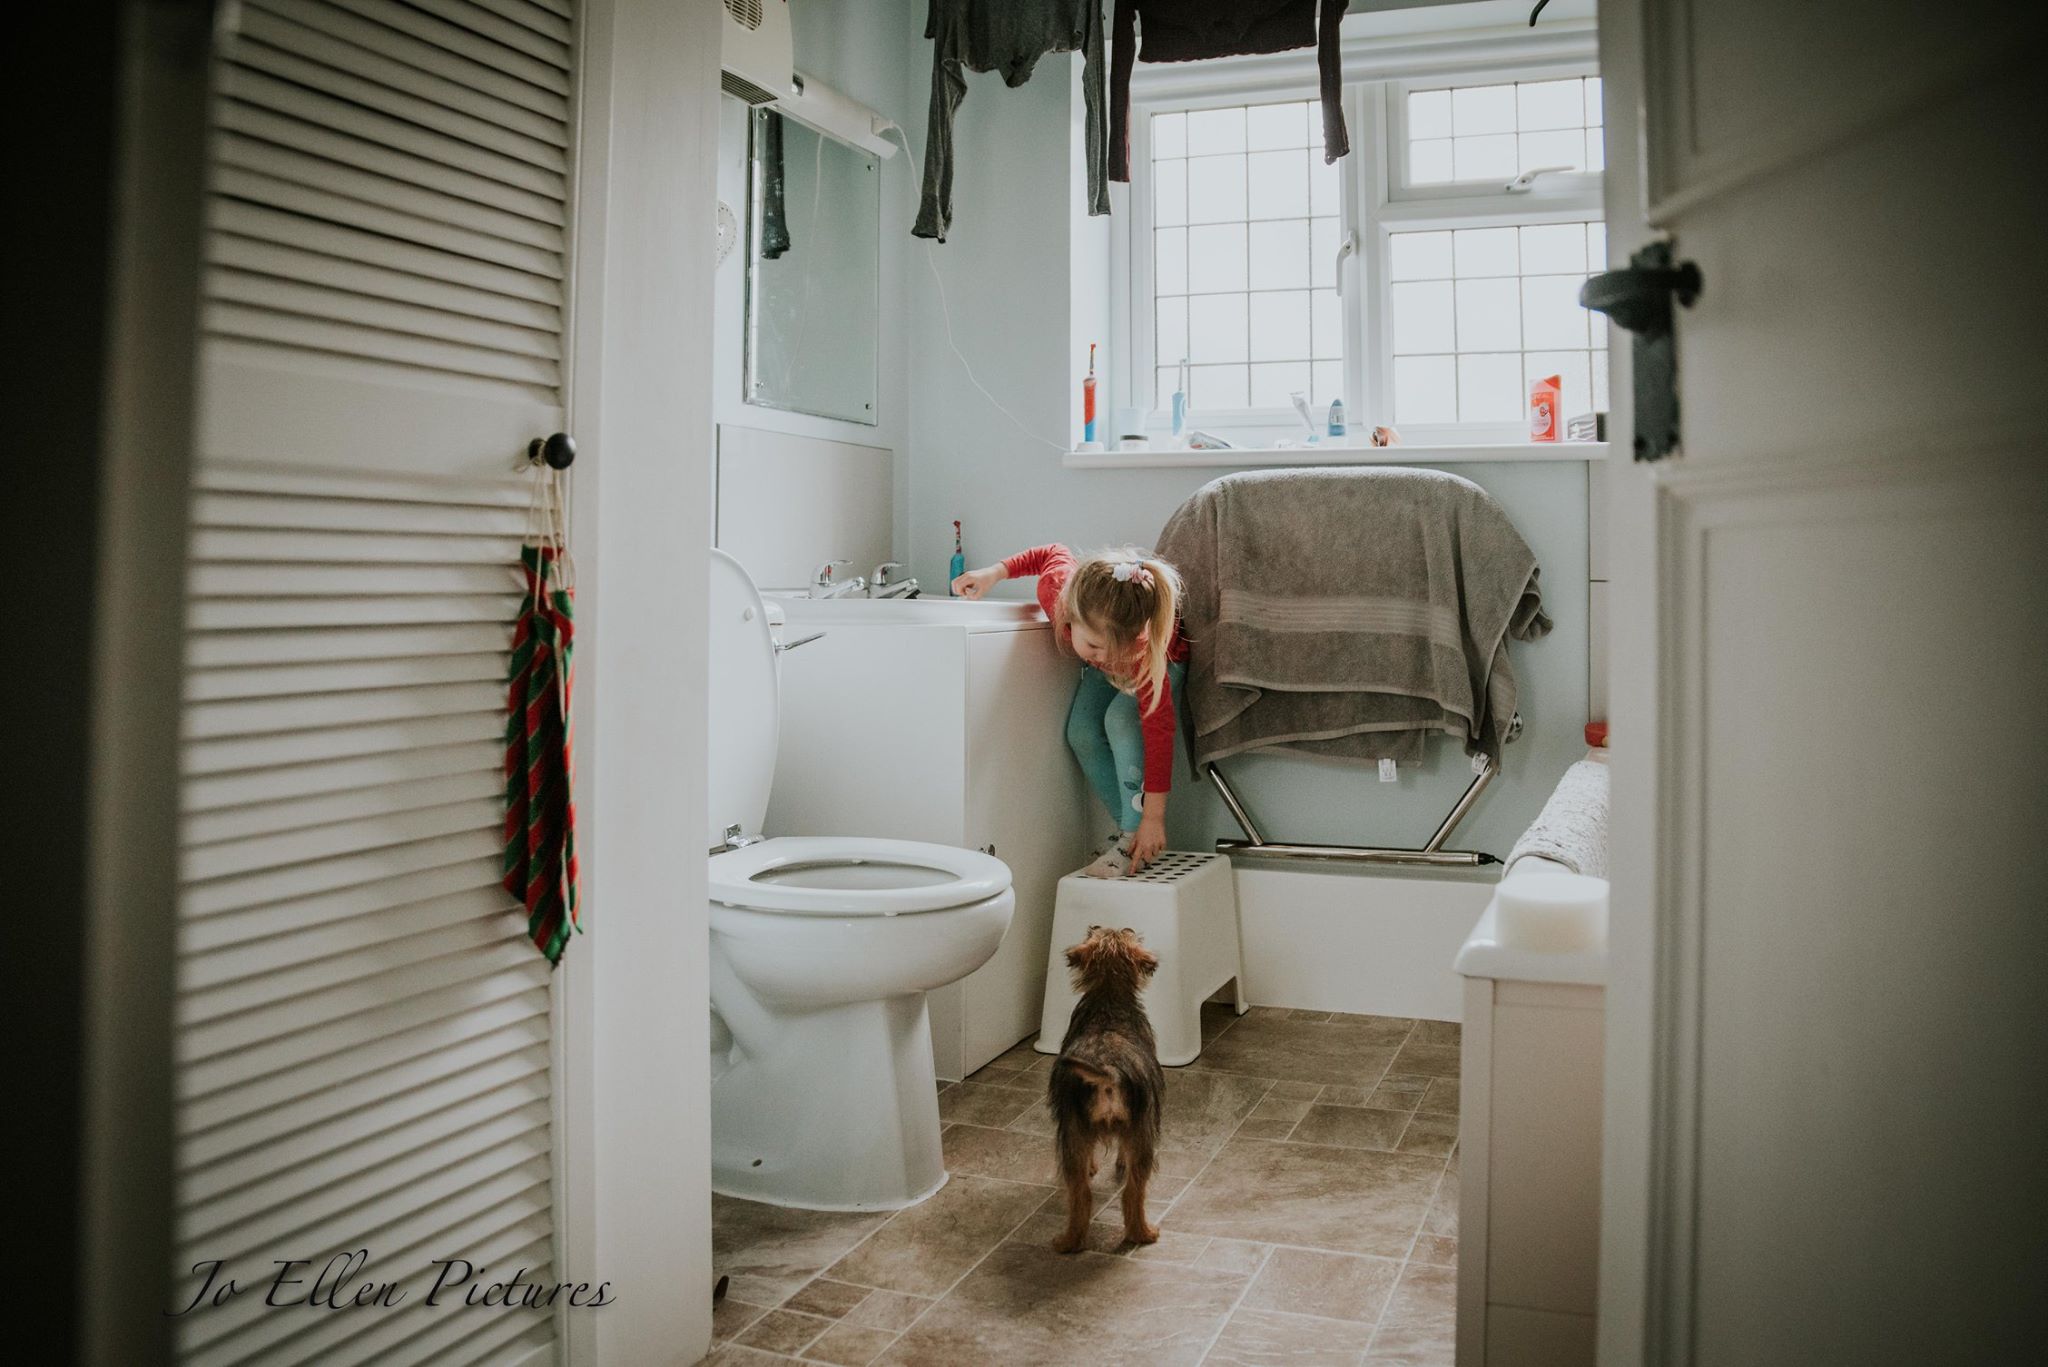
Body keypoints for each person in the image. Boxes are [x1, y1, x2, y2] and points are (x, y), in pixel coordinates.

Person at [953, 545, 1187, 876]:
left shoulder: (1142, 650)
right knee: (1081, 732)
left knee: (1120, 719)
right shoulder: (1059, 593)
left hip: (1162, 661)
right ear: (1071, 617)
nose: (1104, 656)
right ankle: (1128, 831)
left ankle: (1130, 838)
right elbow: (1051, 552)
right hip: (1118, 657)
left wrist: (1154, 818)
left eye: (1111, 649)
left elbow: (1159, 735)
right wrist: (994, 573)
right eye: (1093, 646)